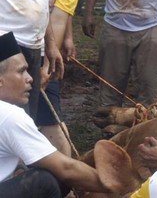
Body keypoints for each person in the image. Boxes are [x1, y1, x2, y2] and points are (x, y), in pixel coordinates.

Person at [0, 32, 130, 197]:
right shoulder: (10, 115)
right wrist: (121, 187)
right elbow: (66, 168)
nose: (30, 78)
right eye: (21, 72)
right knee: (43, 181)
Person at [36, 0, 82, 157]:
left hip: (42, 51)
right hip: (10, 47)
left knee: (54, 126)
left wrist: (45, 67)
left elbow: (58, 22)